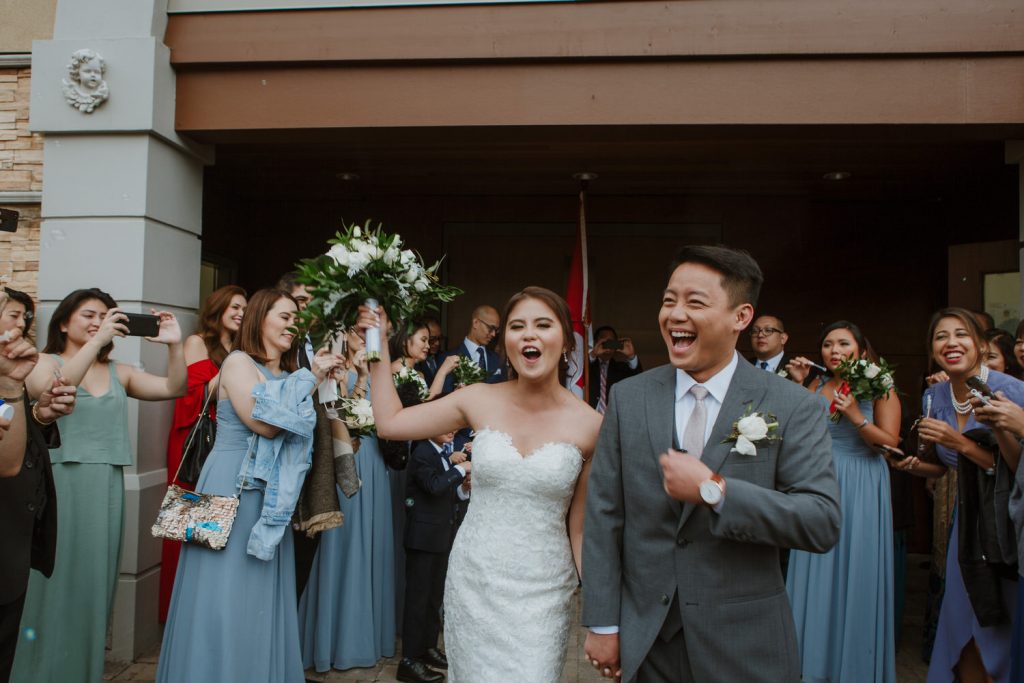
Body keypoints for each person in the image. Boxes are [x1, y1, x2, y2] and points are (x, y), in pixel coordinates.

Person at [583, 245, 840, 683]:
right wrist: (603, 622)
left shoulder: (793, 405)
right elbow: (605, 514)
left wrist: (716, 491)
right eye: (669, 301)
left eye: (694, 302)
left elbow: (820, 521)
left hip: (745, 639)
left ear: (741, 317)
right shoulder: (631, 398)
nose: (675, 314)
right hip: (649, 641)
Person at [357, 286, 602, 682]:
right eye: (518, 326)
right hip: (475, 581)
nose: (529, 335)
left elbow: (582, 525)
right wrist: (378, 345)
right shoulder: (477, 399)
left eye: (543, 324)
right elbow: (390, 424)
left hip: (545, 591)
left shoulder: (591, 425)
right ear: (505, 340)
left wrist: (602, 613)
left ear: (566, 339)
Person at [158, 288, 339, 683]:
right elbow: (265, 422)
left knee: (259, 595)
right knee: (223, 591)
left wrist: (312, 380)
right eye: (285, 316)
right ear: (260, 318)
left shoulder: (291, 376)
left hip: (272, 495)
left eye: (296, 318)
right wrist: (311, 378)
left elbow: (303, 431)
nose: (294, 324)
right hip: (230, 487)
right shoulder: (238, 363)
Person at [11, 288, 186, 683]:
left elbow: (174, 388)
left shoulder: (118, 372)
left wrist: (174, 346)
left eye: (105, 316)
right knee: (49, 583)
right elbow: (48, 389)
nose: (97, 321)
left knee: (93, 586)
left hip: (105, 484)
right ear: (62, 322)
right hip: (57, 483)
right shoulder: (42, 360)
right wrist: (97, 342)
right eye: (89, 315)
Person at [886, 308, 1022, 683]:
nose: (951, 343)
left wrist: (957, 442)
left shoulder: (1010, 390)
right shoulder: (934, 395)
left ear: (980, 344)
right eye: (941, 336)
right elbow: (947, 467)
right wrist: (914, 466)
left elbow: (1012, 468)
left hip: (1005, 523)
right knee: (961, 628)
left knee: (999, 624)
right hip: (966, 524)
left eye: (961, 335)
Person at [785, 321, 901, 683]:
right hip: (818, 479)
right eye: (827, 344)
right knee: (815, 565)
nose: (833, 351)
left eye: (843, 343)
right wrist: (800, 385)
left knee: (856, 565)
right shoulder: (818, 383)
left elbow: (890, 445)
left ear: (861, 349)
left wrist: (854, 416)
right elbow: (798, 433)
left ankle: (854, 667)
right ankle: (809, 663)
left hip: (861, 482)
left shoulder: (880, 384)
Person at [298, 329, 398, 673]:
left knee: (369, 548)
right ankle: (334, 641)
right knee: (345, 549)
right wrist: (356, 379)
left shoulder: (376, 371)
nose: (362, 338)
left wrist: (369, 375)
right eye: (356, 332)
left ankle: (363, 632)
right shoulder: (335, 369)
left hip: (372, 460)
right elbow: (350, 422)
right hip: (348, 462)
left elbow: (380, 422)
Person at [159, 284, 247, 622]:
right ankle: (180, 611)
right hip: (197, 442)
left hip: (226, 443)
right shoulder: (198, 342)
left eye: (244, 308)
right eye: (234, 307)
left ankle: (209, 610)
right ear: (219, 308)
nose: (240, 312)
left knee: (218, 527)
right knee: (189, 523)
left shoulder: (239, 348)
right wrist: (233, 368)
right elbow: (191, 395)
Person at [0, 310, 75, 683]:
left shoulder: (9, 376)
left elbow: (9, 463)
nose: (14, 328)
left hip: (8, 544)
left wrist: (33, 412)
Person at [397, 430, 471, 683]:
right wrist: (461, 470)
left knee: (433, 599)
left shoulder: (445, 454)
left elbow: (450, 494)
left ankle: (427, 648)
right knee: (417, 601)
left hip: (441, 537)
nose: (452, 430)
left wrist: (463, 487)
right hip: (422, 539)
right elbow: (433, 486)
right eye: (445, 425)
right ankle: (408, 661)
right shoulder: (422, 453)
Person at [441, 305, 506, 392]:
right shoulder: (447, 358)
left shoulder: (498, 360)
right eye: (491, 328)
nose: (494, 334)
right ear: (475, 323)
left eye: (496, 330)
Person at [588, 325, 641, 414]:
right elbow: (579, 375)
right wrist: (593, 354)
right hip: (589, 415)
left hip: (613, 417)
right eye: (604, 342)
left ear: (616, 344)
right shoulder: (588, 365)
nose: (608, 346)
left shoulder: (622, 368)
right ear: (596, 343)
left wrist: (631, 357)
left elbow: (638, 381)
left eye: (611, 342)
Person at [416, 318, 445, 386]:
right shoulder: (413, 362)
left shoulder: (444, 357)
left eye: (439, 338)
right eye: (432, 339)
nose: (437, 343)